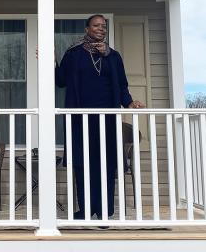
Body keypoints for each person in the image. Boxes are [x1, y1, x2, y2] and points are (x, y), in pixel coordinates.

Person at [55, 14, 144, 220]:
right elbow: (61, 81)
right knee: (82, 163)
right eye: (96, 25)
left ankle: (104, 211)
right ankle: (85, 210)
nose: (100, 28)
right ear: (87, 29)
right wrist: (52, 61)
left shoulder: (113, 56)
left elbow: (122, 85)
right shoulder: (74, 53)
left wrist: (129, 102)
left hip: (107, 119)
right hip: (80, 118)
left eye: (103, 26)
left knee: (106, 162)